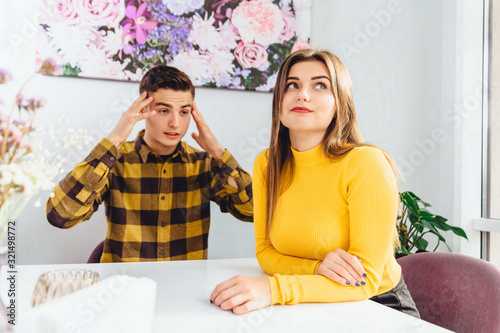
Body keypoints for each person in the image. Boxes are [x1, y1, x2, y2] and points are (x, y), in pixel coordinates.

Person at [210, 49, 420, 318]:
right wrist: (317, 268)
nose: (302, 94)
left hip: (379, 305)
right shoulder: (268, 164)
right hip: (312, 301)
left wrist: (274, 289)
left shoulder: (365, 162)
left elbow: (363, 280)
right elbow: (265, 253)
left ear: (339, 102)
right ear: (279, 101)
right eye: (292, 85)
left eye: (320, 85)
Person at [46, 65, 253, 263]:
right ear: (143, 109)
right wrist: (114, 139)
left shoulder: (204, 163)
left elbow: (253, 212)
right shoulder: (115, 161)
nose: (175, 123)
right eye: (164, 111)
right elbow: (60, 216)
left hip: (184, 288)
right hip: (124, 288)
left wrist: (218, 152)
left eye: (184, 112)